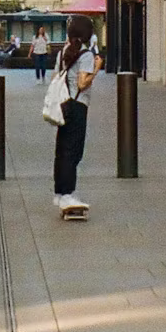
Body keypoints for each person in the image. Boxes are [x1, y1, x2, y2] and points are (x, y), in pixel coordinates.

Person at [51, 15, 100, 212]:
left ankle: (60, 193)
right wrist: (96, 69)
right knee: (74, 151)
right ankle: (68, 194)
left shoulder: (63, 51)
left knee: (62, 149)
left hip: (63, 104)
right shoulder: (86, 55)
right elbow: (82, 83)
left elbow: (56, 75)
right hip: (78, 105)